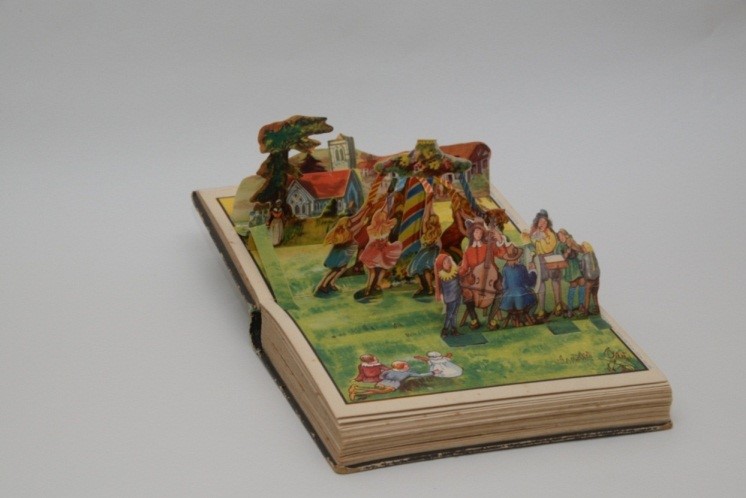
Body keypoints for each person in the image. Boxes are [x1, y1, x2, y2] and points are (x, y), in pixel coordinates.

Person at [524, 210, 565, 319]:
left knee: (555, 280)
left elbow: (549, 247)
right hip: (540, 259)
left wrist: (542, 238)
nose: (542, 224)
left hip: (550, 258)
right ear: (537, 222)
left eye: (544, 222)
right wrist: (532, 260)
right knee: (540, 282)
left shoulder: (550, 234)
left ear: (547, 223)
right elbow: (534, 249)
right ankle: (541, 309)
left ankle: (558, 305)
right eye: (540, 222)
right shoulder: (535, 234)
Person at [355, 208, 403, 300]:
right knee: (379, 269)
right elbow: (384, 239)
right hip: (378, 253)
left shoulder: (371, 229)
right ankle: (372, 287)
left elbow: (376, 241)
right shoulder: (386, 229)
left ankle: (371, 287)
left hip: (372, 253)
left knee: (373, 271)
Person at [314, 216, 361, 295]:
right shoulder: (342, 231)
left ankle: (329, 283)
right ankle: (323, 285)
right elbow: (342, 241)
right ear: (345, 222)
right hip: (338, 256)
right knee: (335, 270)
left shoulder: (344, 230)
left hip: (339, 255)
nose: (350, 223)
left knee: (339, 269)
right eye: (349, 221)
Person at [348, 361, 432, 401]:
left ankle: (356, 390)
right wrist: (432, 373)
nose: (408, 366)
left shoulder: (390, 371)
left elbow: (382, 375)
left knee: (376, 391)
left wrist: (382, 379)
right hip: (392, 384)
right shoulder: (408, 373)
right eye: (406, 365)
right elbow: (420, 375)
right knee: (379, 391)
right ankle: (356, 391)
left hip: (384, 382)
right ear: (402, 367)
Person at [499, 245, 538, 326]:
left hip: (508, 298)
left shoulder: (505, 269)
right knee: (534, 299)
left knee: (516, 300)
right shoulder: (522, 268)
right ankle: (527, 317)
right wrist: (533, 271)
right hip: (520, 297)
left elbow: (504, 285)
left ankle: (518, 318)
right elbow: (530, 282)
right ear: (517, 258)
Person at [407, 212, 442, 297]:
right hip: (423, 254)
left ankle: (429, 287)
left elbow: (439, 246)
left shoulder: (435, 233)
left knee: (425, 269)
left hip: (429, 254)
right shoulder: (427, 232)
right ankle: (424, 287)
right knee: (418, 269)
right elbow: (425, 219)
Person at [557, 229, 586, 317]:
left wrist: (574, 246)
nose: (561, 237)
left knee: (582, 283)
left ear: (566, 235)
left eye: (562, 235)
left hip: (577, 265)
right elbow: (560, 258)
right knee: (573, 285)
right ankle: (570, 309)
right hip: (570, 267)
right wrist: (566, 252)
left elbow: (580, 250)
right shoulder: (560, 246)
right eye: (559, 236)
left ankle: (581, 306)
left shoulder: (571, 241)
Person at [434, 253, 461, 337]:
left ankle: (453, 329)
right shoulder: (442, 275)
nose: (448, 264)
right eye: (445, 263)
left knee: (454, 314)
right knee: (449, 314)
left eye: (449, 261)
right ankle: (444, 330)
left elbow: (460, 275)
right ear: (441, 265)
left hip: (457, 296)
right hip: (450, 298)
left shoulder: (455, 271)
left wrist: (453, 263)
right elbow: (439, 285)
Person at [578, 241, 601, 315]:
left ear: (585, 248)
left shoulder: (584, 257)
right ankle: (597, 308)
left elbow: (582, 268)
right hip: (596, 278)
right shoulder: (593, 255)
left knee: (587, 295)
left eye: (582, 248)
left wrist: (583, 275)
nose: (582, 249)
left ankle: (586, 311)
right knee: (594, 294)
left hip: (589, 279)